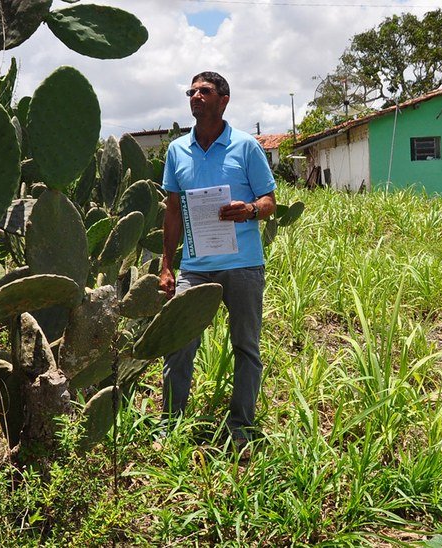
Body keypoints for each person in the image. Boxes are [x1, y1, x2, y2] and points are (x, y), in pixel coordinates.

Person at [159, 71, 276, 450]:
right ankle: (170, 425)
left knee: (246, 346)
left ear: (224, 99)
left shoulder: (245, 147)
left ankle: (240, 427)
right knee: (179, 343)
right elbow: (173, 211)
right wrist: (166, 265)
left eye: (204, 91)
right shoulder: (177, 150)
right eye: (191, 91)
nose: (195, 96)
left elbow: (270, 202)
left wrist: (250, 211)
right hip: (194, 267)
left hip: (243, 264)